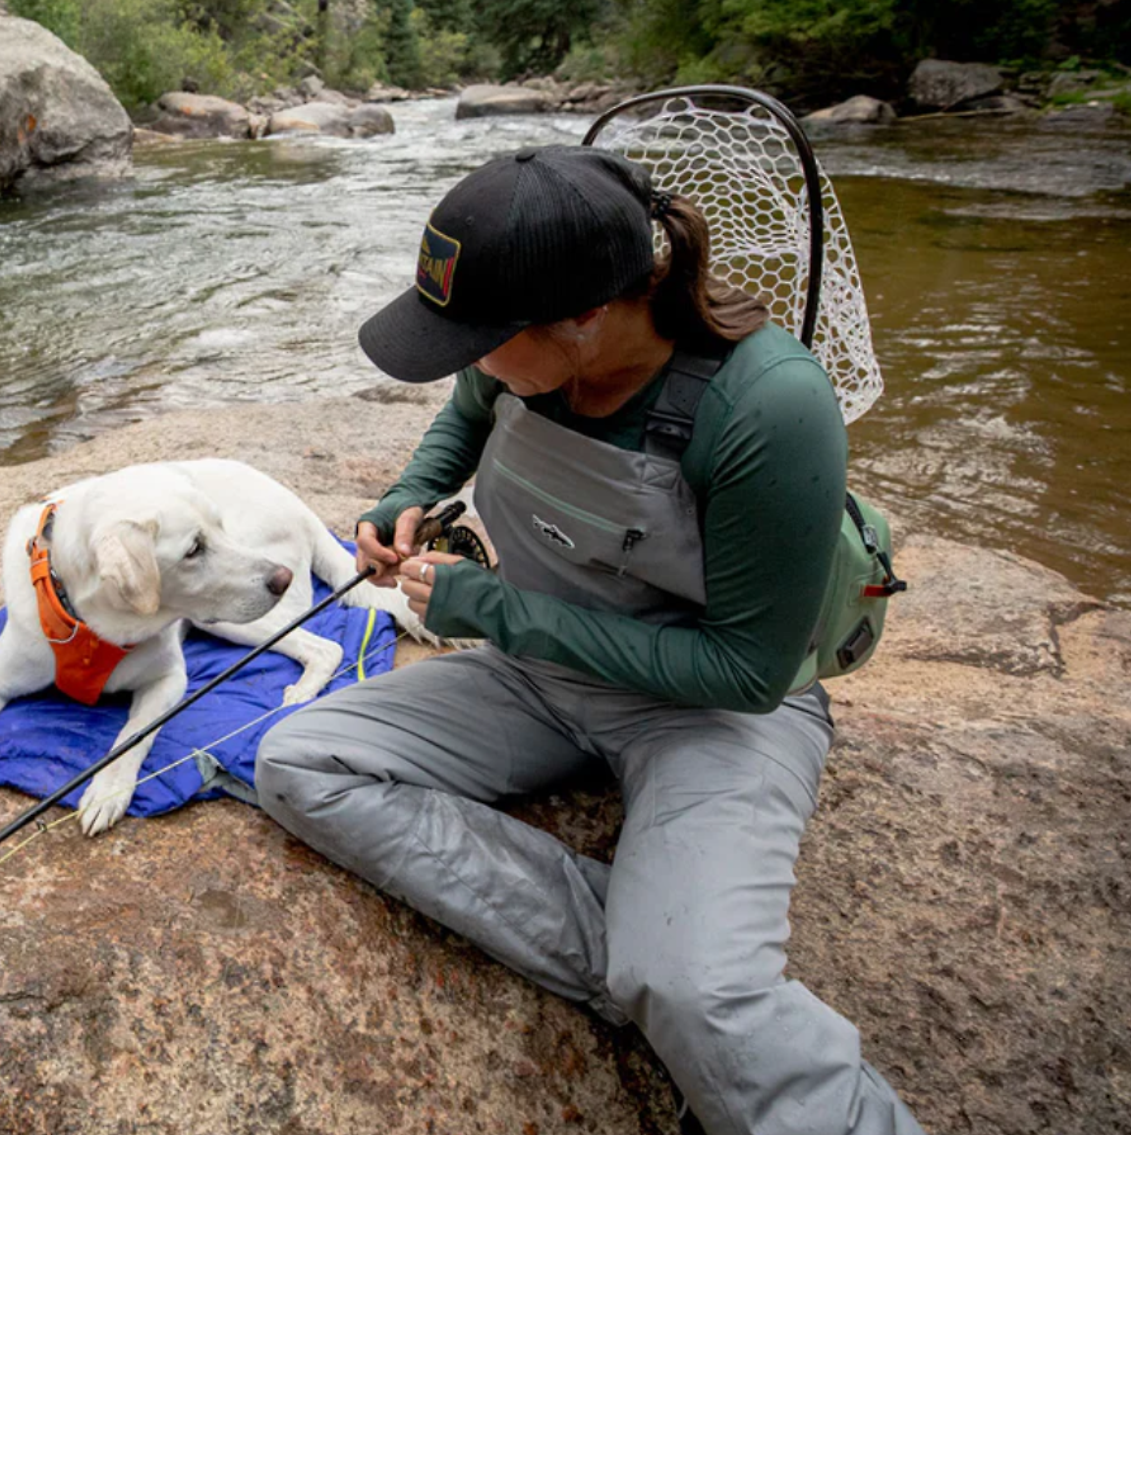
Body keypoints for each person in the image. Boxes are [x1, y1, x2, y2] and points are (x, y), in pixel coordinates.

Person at [255, 145, 920, 1134]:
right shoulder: (527, 359)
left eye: (479, 334)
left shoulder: (767, 406)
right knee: (300, 759)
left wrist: (491, 610)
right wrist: (405, 498)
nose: (465, 359)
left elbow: (742, 670)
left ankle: (691, 990)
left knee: (700, 992)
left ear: (584, 313)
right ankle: (645, 958)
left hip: (710, 717)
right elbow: (466, 414)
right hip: (539, 677)